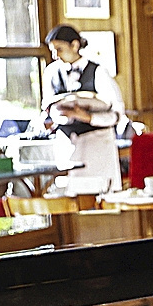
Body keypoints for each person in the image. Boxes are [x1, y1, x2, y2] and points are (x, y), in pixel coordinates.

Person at [40, 24, 125, 191]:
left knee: (99, 196)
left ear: (75, 45)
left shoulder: (99, 72)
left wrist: (88, 117)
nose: (55, 55)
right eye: (52, 50)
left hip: (97, 144)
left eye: (59, 49)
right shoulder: (51, 72)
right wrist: (49, 119)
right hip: (67, 144)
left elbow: (117, 113)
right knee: (70, 197)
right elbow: (47, 106)